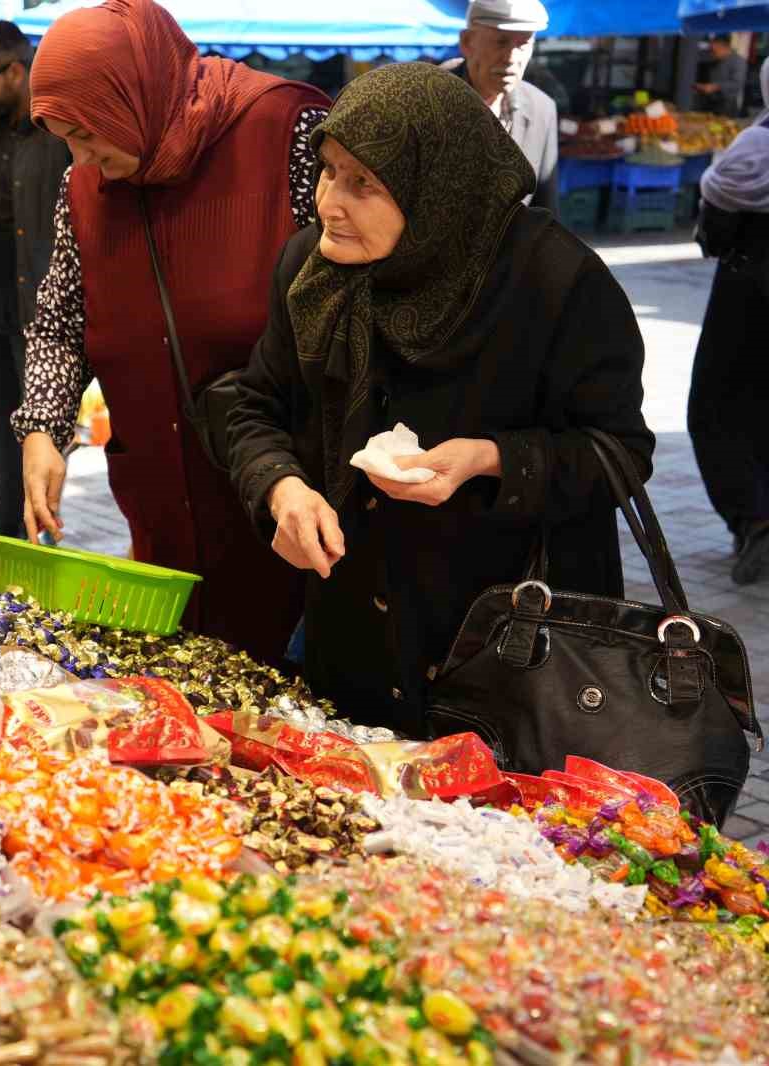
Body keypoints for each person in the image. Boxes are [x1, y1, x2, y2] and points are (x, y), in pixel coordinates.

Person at [224, 63, 653, 735]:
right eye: (329, 171)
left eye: (362, 182)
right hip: (355, 641)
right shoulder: (316, 270)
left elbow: (619, 453)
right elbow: (253, 405)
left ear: (439, 186)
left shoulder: (556, 283)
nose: (329, 202)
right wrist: (281, 488)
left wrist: (488, 459)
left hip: (506, 655)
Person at [13, 0, 331, 661]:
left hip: (286, 489)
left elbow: (349, 297)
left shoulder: (284, 130)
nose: (83, 158)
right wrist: (43, 427)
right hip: (159, 493)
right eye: (67, 139)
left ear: (132, 94)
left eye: (89, 132)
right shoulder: (85, 187)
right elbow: (60, 318)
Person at [0, 21, 71, 539]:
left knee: (40, 452)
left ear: (16, 69)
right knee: (2, 442)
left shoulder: (52, 131)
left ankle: (36, 552)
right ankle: (11, 546)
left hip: (40, 320)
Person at [690, 60, 769, 585]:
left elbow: (713, 233)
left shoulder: (752, 151)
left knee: (717, 408)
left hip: (747, 299)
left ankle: (754, 521)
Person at [449, 0, 558, 215]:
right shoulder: (423, 101)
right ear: (467, 42)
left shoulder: (541, 109)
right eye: (500, 42)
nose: (511, 58)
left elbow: (545, 213)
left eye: (523, 44)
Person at [696, 36, 749, 117]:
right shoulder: (713, 59)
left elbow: (737, 83)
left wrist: (715, 87)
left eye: (714, 51)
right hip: (709, 102)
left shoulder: (738, 62)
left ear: (724, 48)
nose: (711, 53)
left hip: (727, 104)